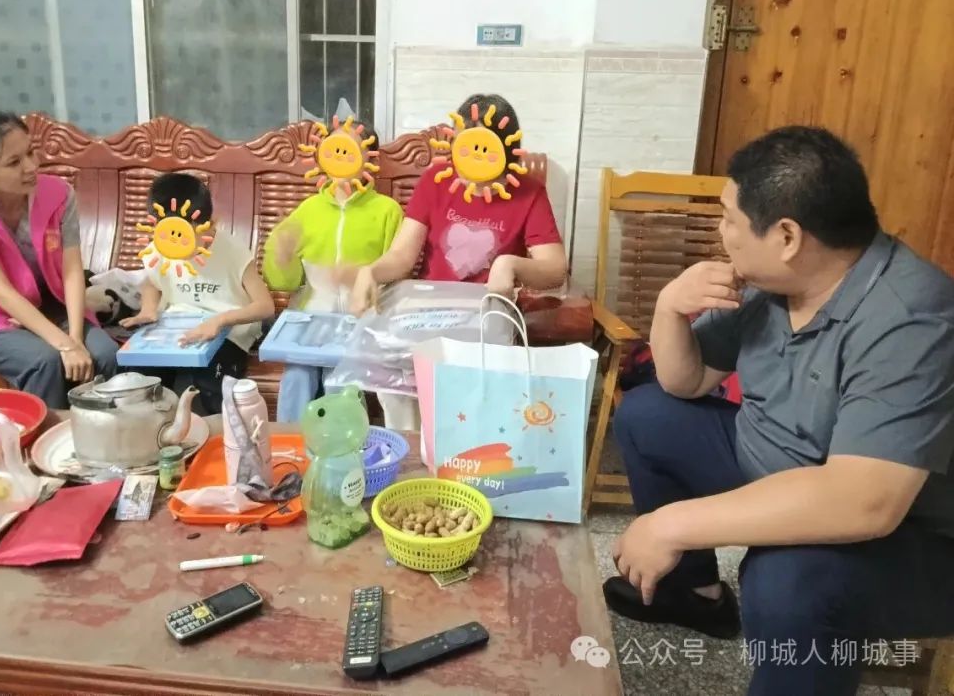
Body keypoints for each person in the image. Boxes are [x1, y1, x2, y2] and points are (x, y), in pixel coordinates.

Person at [604, 126, 954, 695]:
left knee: (788, 583)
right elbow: (685, 381)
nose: (722, 233)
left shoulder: (912, 319)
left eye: (730, 219)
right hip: (772, 463)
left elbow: (865, 503)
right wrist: (669, 307)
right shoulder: (773, 284)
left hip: (908, 538)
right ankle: (694, 595)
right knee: (649, 417)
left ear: (787, 236)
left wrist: (671, 524)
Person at [0, 109, 119, 409]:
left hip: (51, 305)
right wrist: (64, 345)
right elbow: (1, 293)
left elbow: (71, 271)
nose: (31, 166)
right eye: (14, 162)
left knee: (105, 355)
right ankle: (42, 436)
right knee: (45, 361)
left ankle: (107, 434)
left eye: (30, 152)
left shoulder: (59, 194)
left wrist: (75, 339)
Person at [349, 93, 567, 312]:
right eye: (462, 146)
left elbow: (555, 270)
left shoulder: (528, 192)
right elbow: (402, 256)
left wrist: (511, 264)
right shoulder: (436, 179)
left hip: (489, 309)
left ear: (506, 149)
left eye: (481, 148)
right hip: (430, 307)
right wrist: (371, 272)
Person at [262, 120, 403, 423]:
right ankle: (289, 440)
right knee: (297, 375)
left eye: (350, 148)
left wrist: (359, 277)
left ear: (370, 159)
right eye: (334, 147)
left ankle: (346, 440)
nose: (340, 155)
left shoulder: (387, 210)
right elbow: (283, 282)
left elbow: (397, 277)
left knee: (338, 379)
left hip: (361, 318)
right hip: (311, 318)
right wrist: (282, 255)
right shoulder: (308, 210)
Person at [121, 173, 274, 416]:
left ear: (210, 223)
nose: (178, 248)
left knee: (209, 385)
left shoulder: (232, 252)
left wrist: (220, 320)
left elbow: (265, 306)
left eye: (187, 238)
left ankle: (214, 432)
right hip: (177, 329)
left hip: (229, 331)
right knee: (138, 379)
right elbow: (152, 283)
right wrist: (148, 309)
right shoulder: (159, 248)